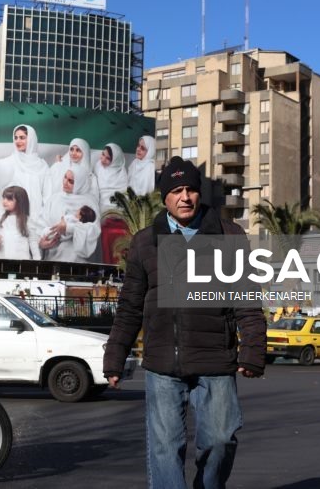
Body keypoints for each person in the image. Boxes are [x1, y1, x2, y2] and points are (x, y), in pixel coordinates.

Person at [103, 156, 267, 489]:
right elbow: (130, 305)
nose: (185, 197)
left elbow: (246, 299)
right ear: (164, 197)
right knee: (165, 448)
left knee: (221, 439)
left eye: (191, 189)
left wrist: (253, 349)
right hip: (163, 362)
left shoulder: (228, 234)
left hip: (215, 360)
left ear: (199, 193)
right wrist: (115, 356)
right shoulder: (145, 241)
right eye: (176, 190)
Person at [0, 124, 50, 220]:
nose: (18, 141)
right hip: (10, 218)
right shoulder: (7, 163)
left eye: (22, 138)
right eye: (16, 138)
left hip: (35, 219)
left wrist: (44, 218)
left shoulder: (42, 166)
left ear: (31, 139)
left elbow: (48, 197)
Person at [38, 166, 101, 263]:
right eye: (65, 177)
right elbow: (41, 225)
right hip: (53, 259)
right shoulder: (54, 199)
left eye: (71, 181)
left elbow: (93, 232)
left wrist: (69, 228)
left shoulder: (90, 202)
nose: (65, 182)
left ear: (80, 183)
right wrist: (42, 243)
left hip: (79, 263)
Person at [0, 186, 41, 260]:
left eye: (9, 199)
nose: (5, 201)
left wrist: (37, 259)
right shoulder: (0, 218)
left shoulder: (27, 220)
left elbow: (32, 241)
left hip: (22, 259)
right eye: (4, 198)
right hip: (2, 257)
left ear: (20, 201)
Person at [94, 143, 129, 215]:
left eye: (108, 158)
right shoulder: (98, 165)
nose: (103, 159)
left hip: (117, 210)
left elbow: (124, 195)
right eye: (103, 154)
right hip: (100, 207)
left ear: (115, 160)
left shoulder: (121, 173)